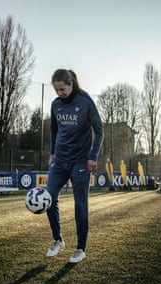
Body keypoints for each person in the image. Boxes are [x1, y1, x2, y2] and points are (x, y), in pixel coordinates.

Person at [45, 69, 104, 263]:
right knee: (49, 197)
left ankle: (80, 248)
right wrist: (52, 154)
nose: (59, 93)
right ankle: (57, 239)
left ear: (71, 84)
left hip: (80, 162)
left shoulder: (85, 102)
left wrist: (92, 157)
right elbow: (54, 130)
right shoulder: (55, 105)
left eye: (62, 89)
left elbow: (99, 130)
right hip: (60, 161)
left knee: (80, 205)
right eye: (56, 90)